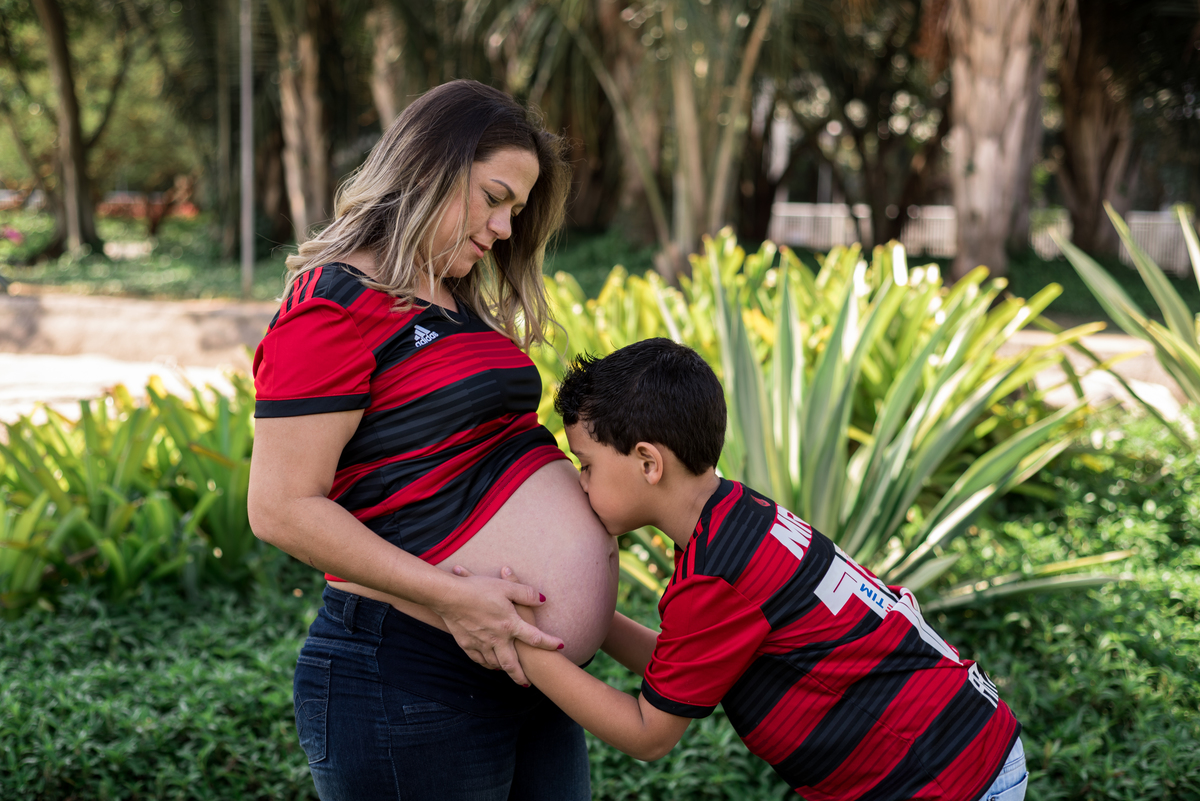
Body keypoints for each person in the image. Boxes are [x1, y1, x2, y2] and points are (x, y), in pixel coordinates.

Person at [246, 79, 619, 801]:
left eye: (517, 209)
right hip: (411, 673)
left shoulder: (455, 304)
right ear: (429, 167)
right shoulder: (334, 304)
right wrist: (453, 598)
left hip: (527, 671)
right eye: (494, 196)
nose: (506, 228)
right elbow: (280, 507)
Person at [496, 338, 1028, 801]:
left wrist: (516, 640)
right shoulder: (737, 518)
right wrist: (584, 615)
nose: (581, 483)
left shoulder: (716, 574)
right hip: (967, 743)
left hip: (942, 776)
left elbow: (647, 733)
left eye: (587, 465)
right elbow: (680, 664)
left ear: (648, 462)